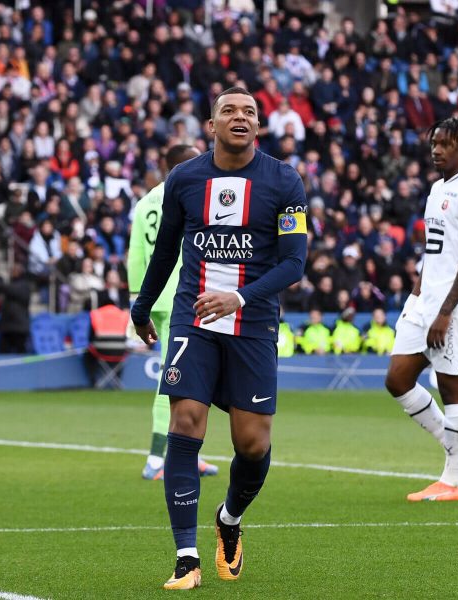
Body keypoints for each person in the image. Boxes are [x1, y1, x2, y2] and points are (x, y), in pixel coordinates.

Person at [131, 87, 308, 590]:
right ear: (211, 126)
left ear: (258, 126)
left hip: (251, 324)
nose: (239, 117)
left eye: (249, 111)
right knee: (185, 422)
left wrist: (241, 298)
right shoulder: (184, 179)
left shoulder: (284, 181)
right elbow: (166, 250)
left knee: (252, 444)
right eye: (228, 110)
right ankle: (186, 558)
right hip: (193, 320)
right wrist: (141, 307)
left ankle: (228, 519)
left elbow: (294, 262)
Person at [384, 116, 458, 502]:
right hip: (425, 301)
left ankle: (453, 481)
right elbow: (435, 251)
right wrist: (417, 295)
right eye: (434, 143)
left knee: (452, 386)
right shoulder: (436, 188)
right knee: (397, 379)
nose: (437, 150)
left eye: (445, 143)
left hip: (456, 307)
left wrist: (445, 311)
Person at [127, 143, 219, 481]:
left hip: (155, 299)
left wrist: (139, 304)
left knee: (185, 378)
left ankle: (186, 454)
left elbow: (136, 257)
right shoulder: (190, 196)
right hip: (184, 299)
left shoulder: (144, 203)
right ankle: (155, 459)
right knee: (174, 381)